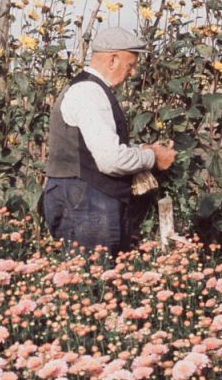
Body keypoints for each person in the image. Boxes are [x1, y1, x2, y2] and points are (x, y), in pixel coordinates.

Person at [43, 27, 175, 257]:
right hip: (88, 202)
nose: (133, 72)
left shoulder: (82, 88)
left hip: (77, 196)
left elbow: (90, 146)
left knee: (84, 279)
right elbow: (111, 160)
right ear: (112, 59)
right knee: (96, 280)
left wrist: (140, 149)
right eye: (130, 65)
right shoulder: (90, 93)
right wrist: (153, 156)